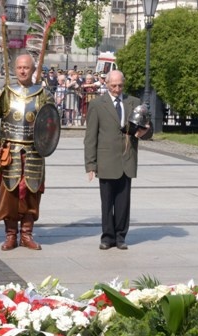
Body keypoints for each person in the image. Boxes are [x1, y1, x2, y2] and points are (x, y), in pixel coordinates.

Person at [0, 54, 56, 251]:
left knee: (32, 194)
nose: (23, 71)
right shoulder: (4, 93)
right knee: (9, 195)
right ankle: (10, 235)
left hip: (34, 151)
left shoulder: (44, 94)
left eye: (27, 67)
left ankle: (26, 234)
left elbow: (51, 124)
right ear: (15, 69)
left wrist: (46, 142)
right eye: (20, 67)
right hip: (10, 150)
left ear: (33, 70)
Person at [83, 70, 146, 250]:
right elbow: (90, 137)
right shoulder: (97, 105)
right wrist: (90, 164)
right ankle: (107, 236)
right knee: (107, 201)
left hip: (126, 159)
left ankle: (120, 236)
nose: (117, 89)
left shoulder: (133, 102)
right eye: (113, 86)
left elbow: (146, 129)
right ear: (107, 84)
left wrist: (144, 131)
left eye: (120, 85)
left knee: (123, 202)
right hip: (106, 160)